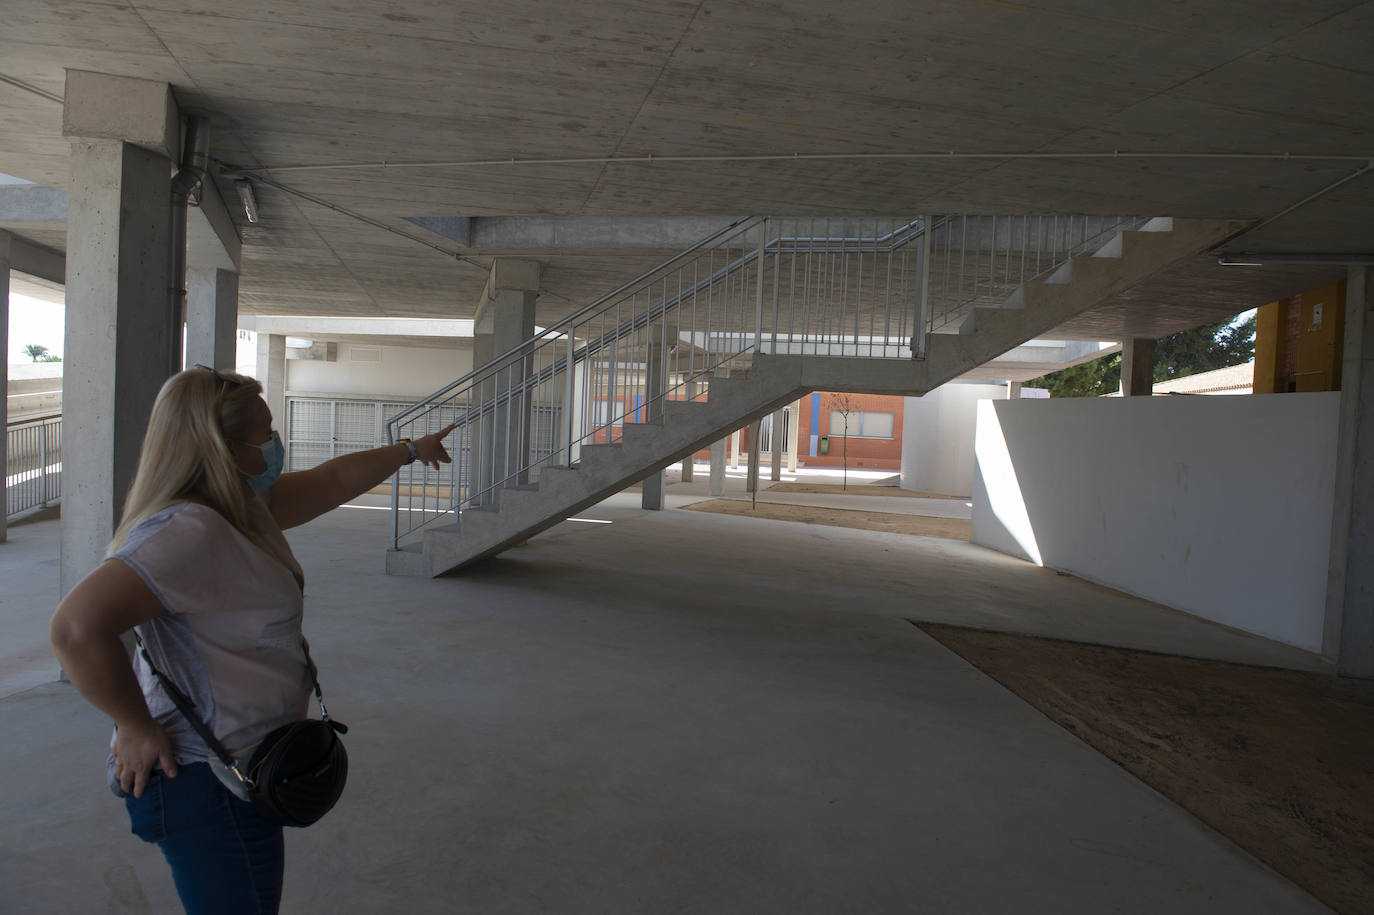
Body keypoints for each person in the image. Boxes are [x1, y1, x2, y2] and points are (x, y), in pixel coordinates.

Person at [49, 366, 455, 914]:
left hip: (245, 764)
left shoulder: (243, 510)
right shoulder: (187, 533)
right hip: (204, 779)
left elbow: (334, 480)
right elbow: (76, 629)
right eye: (265, 433)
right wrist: (134, 725)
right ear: (225, 448)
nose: (275, 442)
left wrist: (410, 449)